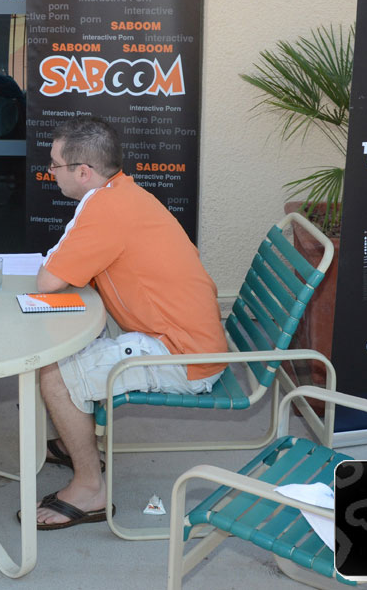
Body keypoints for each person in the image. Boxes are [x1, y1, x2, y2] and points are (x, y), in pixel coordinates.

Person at [30, 115, 227, 530]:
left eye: (55, 165)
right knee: (68, 347)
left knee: (54, 373)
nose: (49, 172)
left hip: (184, 355)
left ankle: (91, 489)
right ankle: (75, 440)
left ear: (83, 172)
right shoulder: (118, 192)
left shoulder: (107, 210)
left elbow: (49, 281)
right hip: (180, 335)